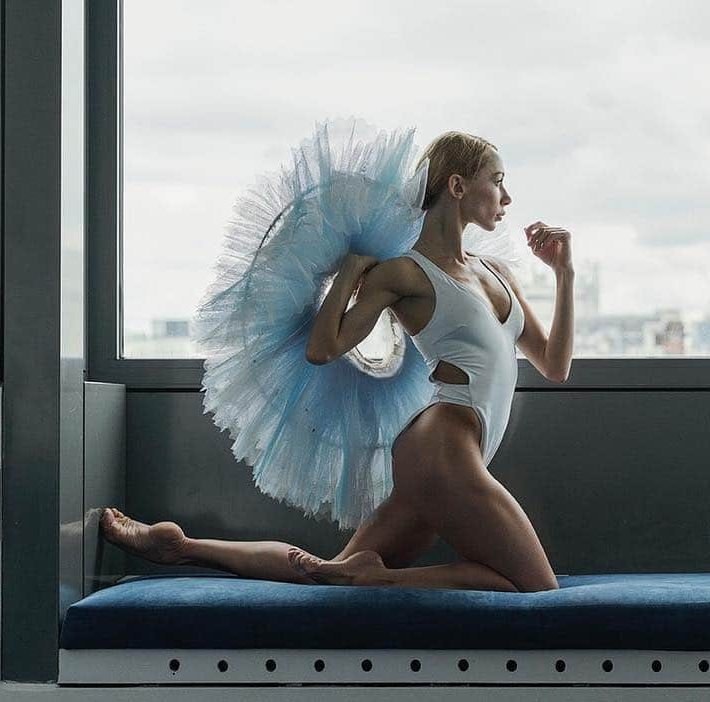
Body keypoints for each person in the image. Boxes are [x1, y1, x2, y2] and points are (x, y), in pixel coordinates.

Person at [102, 127, 575, 593]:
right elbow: (322, 348)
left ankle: (180, 545)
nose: (506, 196)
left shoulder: (498, 273)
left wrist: (564, 273)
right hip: (444, 449)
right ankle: (382, 579)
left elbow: (555, 365)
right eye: (497, 180)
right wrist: (351, 270)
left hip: (449, 454)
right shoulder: (405, 272)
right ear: (457, 186)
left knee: (328, 574)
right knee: (536, 584)